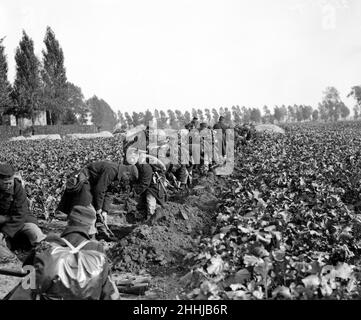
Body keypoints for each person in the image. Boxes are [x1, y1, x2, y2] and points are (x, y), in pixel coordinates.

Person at [6, 206, 119, 300]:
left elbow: (27, 269)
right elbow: (109, 291)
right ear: (90, 227)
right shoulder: (97, 250)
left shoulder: (48, 244)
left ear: (69, 222)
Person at [57, 162, 138, 241]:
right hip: (84, 181)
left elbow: (108, 192)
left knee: (94, 212)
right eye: (128, 179)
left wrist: (104, 211)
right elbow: (99, 190)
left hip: (91, 185)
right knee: (89, 211)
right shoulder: (112, 170)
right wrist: (99, 208)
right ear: (127, 173)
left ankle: (92, 234)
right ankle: (89, 237)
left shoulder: (117, 176)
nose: (126, 181)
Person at [0, 163, 46, 251]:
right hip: (2, 223)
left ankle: (44, 252)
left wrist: (5, 232)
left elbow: (21, 214)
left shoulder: (17, 189)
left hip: (20, 220)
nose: (8, 186)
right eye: (5, 183)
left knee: (35, 232)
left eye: (10, 183)